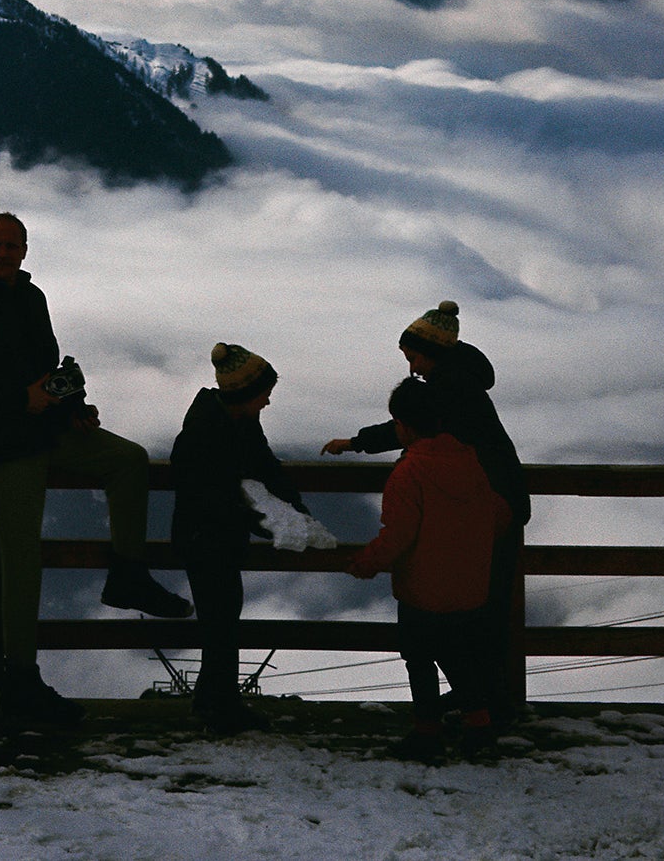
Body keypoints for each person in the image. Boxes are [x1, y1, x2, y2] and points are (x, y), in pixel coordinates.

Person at [0, 211, 185, 729]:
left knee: (128, 460)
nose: (2, 253)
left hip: (47, 431)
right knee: (23, 560)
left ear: (25, 249)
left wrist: (74, 407)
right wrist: (18, 399)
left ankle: (128, 575)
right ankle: (20, 677)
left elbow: (48, 369)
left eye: (11, 245)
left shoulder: (31, 297)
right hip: (1, 446)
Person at [322, 299, 529, 716]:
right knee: (480, 611)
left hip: (486, 508)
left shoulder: (447, 389)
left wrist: (358, 442)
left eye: (413, 357)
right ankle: (483, 706)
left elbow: (412, 424)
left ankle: (475, 707)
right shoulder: (459, 380)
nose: (412, 367)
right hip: (493, 505)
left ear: (431, 352)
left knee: (467, 618)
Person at [344, 376, 512, 759]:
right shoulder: (470, 460)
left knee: (419, 660)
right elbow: (497, 513)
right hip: (468, 586)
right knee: (458, 657)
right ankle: (479, 729)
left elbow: (398, 535)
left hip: (423, 589)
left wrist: (366, 563)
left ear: (403, 425)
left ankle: (427, 734)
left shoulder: (409, 473)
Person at [169, 342, 319, 735]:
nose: (268, 402)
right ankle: (221, 707)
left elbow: (263, 462)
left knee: (222, 619)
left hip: (215, 537)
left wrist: (291, 504)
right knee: (220, 621)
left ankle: (212, 700)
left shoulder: (235, 419)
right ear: (245, 394)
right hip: (204, 539)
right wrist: (261, 518)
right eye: (265, 394)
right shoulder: (202, 433)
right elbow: (209, 495)